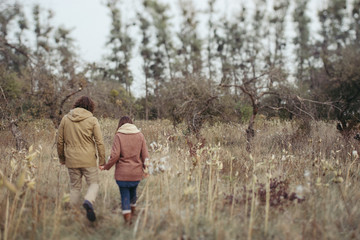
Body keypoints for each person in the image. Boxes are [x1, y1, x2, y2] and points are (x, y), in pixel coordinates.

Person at [57, 96, 105, 222]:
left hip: (71, 160)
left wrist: (62, 158)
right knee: (93, 184)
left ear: (76, 105)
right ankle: (88, 201)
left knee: (75, 187)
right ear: (91, 107)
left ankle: (72, 215)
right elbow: (99, 142)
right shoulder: (92, 120)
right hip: (88, 160)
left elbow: (59, 142)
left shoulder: (66, 119)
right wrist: (102, 161)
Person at [100, 116, 149, 225]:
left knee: (124, 196)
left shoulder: (118, 136)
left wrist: (106, 167)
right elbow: (145, 155)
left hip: (122, 174)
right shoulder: (140, 135)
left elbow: (114, 156)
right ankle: (133, 214)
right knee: (133, 194)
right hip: (136, 174)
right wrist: (146, 170)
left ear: (120, 124)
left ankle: (128, 221)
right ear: (131, 123)